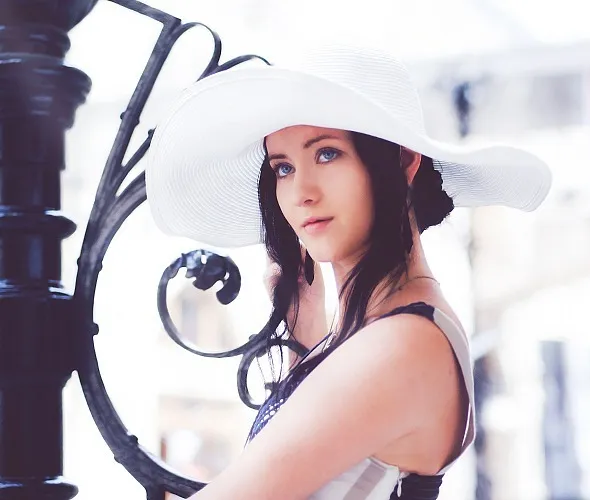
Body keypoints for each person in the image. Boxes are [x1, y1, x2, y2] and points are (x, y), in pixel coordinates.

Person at [145, 44, 551, 499]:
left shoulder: (403, 343)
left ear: (402, 161)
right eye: (283, 167)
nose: (301, 192)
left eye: (326, 154)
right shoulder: (383, 331)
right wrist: (304, 329)